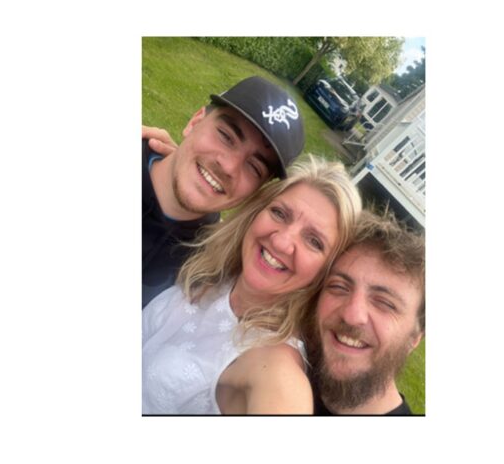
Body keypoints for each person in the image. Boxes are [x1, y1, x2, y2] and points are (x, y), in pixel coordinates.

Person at [142, 156, 361, 414]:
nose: (281, 242)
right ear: (256, 212)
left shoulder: (273, 365)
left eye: (314, 241)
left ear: (326, 271)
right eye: (279, 213)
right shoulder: (214, 268)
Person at [143, 76, 305, 307]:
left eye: (254, 166)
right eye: (226, 136)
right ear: (195, 121)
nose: (229, 166)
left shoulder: (209, 269)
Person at [303, 210, 425, 415]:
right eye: (339, 287)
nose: (352, 315)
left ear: (413, 340)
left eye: (385, 303)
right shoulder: (283, 361)